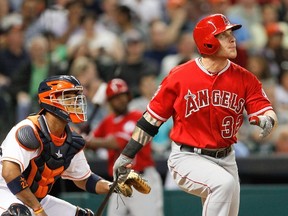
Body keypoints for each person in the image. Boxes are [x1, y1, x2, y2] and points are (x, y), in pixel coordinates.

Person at [112, 14, 278, 216]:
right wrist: (126, 155)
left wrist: (267, 119)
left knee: (228, 203)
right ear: (208, 41)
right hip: (188, 156)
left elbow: (265, 109)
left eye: (231, 34)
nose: (233, 39)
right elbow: (151, 120)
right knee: (222, 184)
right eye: (223, 35)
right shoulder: (180, 76)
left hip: (227, 157)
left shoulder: (245, 78)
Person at [0, 75, 112, 216]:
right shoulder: (28, 130)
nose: (75, 102)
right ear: (50, 99)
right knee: (18, 214)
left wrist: (113, 186)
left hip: (33, 197)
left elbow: (85, 180)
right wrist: (37, 209)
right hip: (5, 190)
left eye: (76, 97)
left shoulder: (72, 140)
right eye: (68, 97)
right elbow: (10, 173)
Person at [84, 78, 164, 216]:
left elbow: (117, 143)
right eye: (115, 98)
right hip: (118, 181)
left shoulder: (138, 117)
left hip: (141, 179)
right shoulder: (107, 121)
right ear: (109, 102)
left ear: (128, 96)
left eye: (122, 95)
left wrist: (88, 141)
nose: (120, 100)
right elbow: (90, 144)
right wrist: (84, 136)